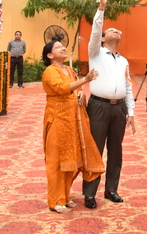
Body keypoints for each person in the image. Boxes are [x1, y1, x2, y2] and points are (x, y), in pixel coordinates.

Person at [83, 0, 136, 209]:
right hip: (98, 107)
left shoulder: (123, 60)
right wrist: (102, 8)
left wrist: (130, 111)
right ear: (104, 38)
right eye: (111, 30)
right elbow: (95, 31)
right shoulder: (95, 52)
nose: (116, 32)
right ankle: (89, 193)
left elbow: (128, 86)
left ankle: (111, 189)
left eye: (118, 31)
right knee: (95, 149)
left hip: (119, 109)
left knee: (116, 150)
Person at [42, 40, 104, 214]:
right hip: (57, 121)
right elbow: (62, 89)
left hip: (72, 122)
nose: (63, 48)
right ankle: (54, 201)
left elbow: (76, 89)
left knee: (71, 162)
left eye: (63, 46)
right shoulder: (50, 71)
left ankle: (65, 197)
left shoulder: (69, 70)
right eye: (58, 47)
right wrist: (85, 80)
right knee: (56, 163)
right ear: (49, 55)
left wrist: (81, 94)